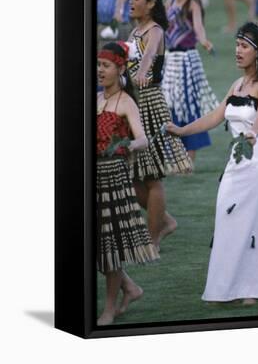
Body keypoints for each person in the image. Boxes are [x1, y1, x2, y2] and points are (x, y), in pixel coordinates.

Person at [167, 22, 258, 305]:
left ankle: (254, 290)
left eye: (244, 46)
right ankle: (226, 287)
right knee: (228, 218)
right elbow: (215, 117)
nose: (237, 51)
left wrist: (254, 133)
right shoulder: (237, 84)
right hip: (237, 162)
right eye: (237, 45)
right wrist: (182, 130)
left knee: (256, 225)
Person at [126, 0, 192, 249]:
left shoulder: (155, 31)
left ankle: (153, 238)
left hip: (150, 103)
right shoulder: (134, 32)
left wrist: (143, 69)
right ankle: (164, 220)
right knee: (132, 175)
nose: (132, 3)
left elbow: (151, 52)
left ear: (151, 4)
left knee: (151, 175)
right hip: (133, 103)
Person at [96, 41, 159, 326]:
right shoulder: (96, 99)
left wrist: (125, 146)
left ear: (120, 68)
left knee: (110, 247)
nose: (100, 70)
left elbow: (144, 139)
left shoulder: (126, 102)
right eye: (98, 65)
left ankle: (108, 309)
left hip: (114, 179)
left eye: (105, 66)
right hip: (93, 177)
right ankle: (130, 287)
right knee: (96, 244)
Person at [162, 0, 219, 161]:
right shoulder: (168, 3)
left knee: (187, 105)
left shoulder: (192, 3)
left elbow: (198, 28)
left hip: (187, 60)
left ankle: (189, 158)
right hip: (170, 61)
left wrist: (204, 41)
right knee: (169, 105)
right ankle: (173, 156)